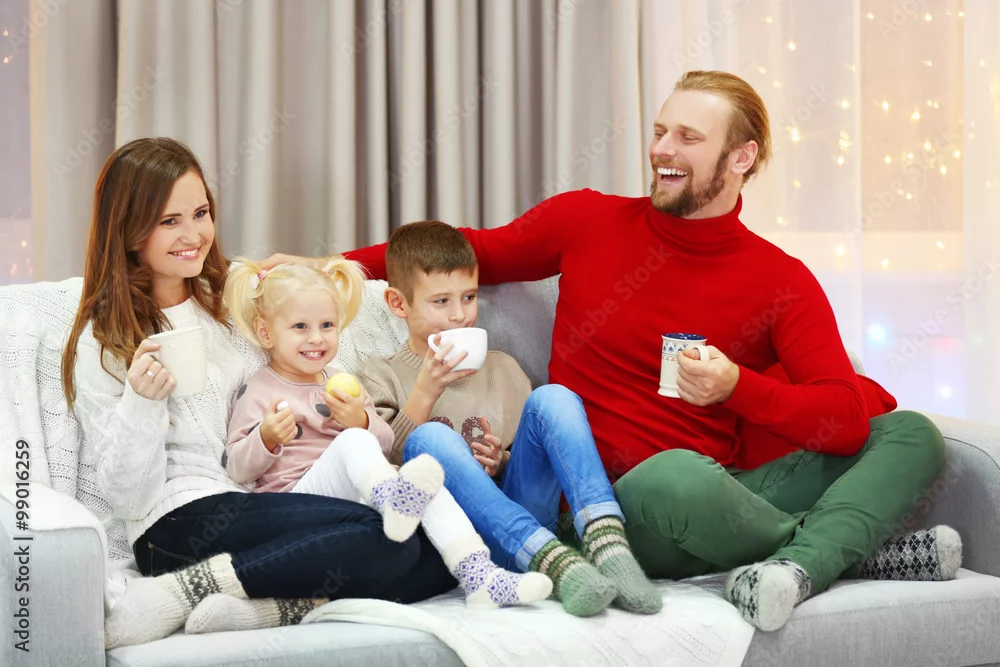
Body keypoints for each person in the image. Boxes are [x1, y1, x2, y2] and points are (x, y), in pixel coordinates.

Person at [266, 71, 957, 632]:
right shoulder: (588, 220)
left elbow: (845, 421)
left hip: (724, 494)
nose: (662, 149)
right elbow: (462, 253)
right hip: (611, 508)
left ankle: (797, 567)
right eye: (660, 130)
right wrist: (328, 267)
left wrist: (737, 388)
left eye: (688, 137)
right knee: (676, 477)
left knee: (911, 434)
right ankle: (841, 552)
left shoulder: (783, 280)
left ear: (740, 158)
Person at [62, 137, 455, 649]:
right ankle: (180, 592)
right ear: (130, 229)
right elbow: (126, 497)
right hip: (172, 524)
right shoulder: (105, 339)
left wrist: (349, 410)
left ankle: (267, 606)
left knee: (432, 546)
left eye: (200, 213)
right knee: (390, 537)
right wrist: (143, 401)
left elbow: (315, 344)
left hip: (256, 503)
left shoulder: (236, 304)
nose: (193, 235)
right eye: (169, 221)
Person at [354, 221, 661, 618]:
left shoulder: (502, 368)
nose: (460, 315)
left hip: (531, 521)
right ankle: (556, 562)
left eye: (469, 297)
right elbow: (383, 471)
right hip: (461, 544)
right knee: (429, 439)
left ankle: (609, 546)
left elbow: (529, 461)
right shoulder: (380, 374)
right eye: (441, 301)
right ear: (398, 304)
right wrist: (425, 392)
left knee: (555, 397)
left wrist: (502, 461)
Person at [214, 257, 550, 612]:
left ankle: (482, 577)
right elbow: (236, 468)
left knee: (425, 482)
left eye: (327, 325)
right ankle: (394, 501)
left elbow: (385, 445)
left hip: (355, 500)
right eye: (300, 326)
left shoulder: (341, 379)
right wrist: (266, 437)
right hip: (296, 502)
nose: (316, 338)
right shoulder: (259, 390)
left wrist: (360, 420)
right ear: (266, 332)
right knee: (355, 443)